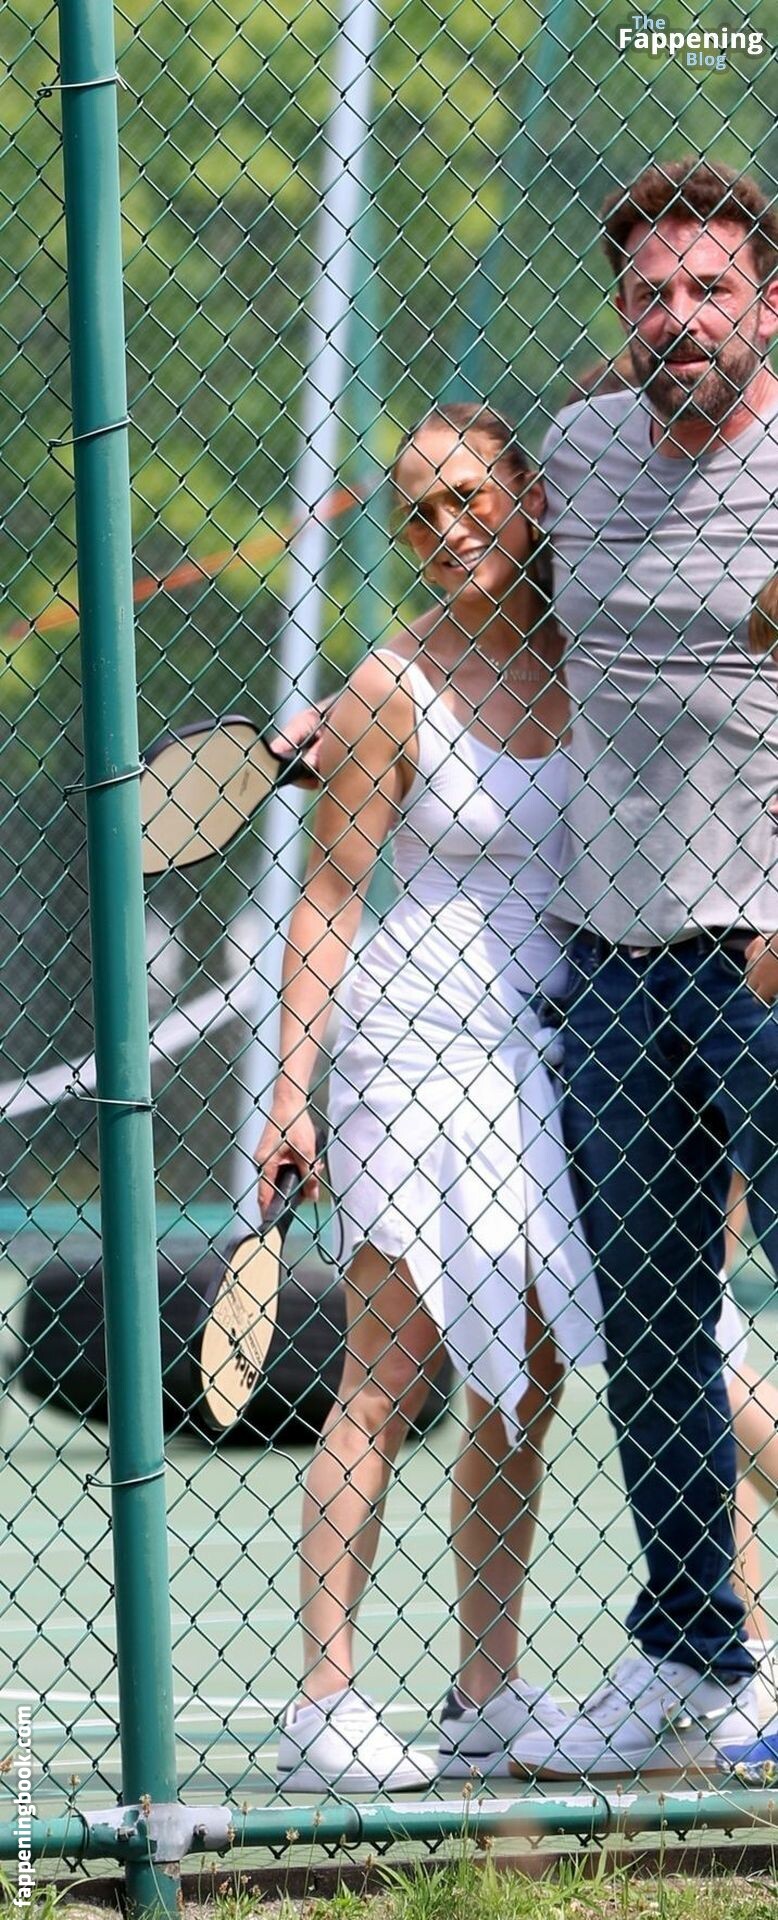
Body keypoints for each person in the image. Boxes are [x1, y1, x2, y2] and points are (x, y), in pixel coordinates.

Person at [274, 156, 778, 1780]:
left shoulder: (689, 537)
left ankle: (648, 1675)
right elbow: (341, 878)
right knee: (576, 1342)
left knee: (647, 1347)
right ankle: (658, 1659)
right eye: (649, 293)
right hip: (526, 1011)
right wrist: (344, 722)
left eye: (707, 287)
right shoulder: (555, 493)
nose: (677, 316)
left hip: (688, 988)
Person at [254, 403, 605, 1792]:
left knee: (528, 1379)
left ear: (528, 495)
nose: (447, 529)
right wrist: (289, 1094)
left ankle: (485, 1696)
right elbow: (329, 900)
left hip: (551, 1051)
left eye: (470, 497)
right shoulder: (387, 686)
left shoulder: (595, 650)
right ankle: (324, 1703)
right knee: (389, 1377)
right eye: (418, 513)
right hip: (409, 1048)